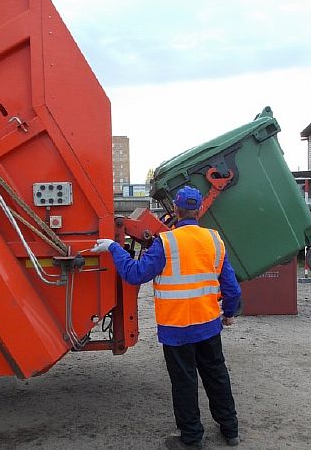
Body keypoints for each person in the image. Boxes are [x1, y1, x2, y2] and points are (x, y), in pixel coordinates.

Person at [92, 185, 241, 449]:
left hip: (177, 328)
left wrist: (113, 248)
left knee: (184, 383)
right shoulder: (214, 240)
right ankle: (230, 430)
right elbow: (232, 288)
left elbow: (135, 274)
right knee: (217, 375)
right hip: (208, 325)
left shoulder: (166, 243)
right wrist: (228, 313)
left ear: (175, 210)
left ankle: (191, 438)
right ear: (199, 211)